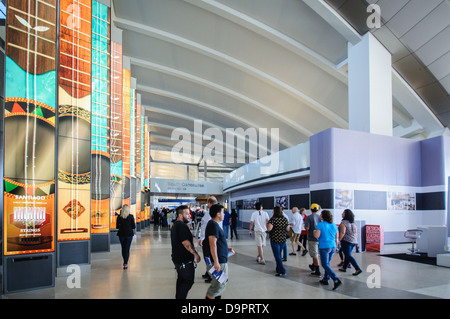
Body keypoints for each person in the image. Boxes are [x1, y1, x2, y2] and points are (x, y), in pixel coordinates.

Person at [203, 204, 234, 299]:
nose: (224, 214)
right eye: (223, 212)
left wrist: (226, 249)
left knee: (220, 283)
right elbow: (212, 244)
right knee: (218, 285)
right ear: (218, 214)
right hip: (218, 261)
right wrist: (216, 262)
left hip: (219, 259)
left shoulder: (214, 224)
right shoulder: (213, 225)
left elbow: (215, 243)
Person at [171, 205, 201, 299]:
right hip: (184, 260)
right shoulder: (182, 226)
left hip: (178, 259)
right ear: (180, 215)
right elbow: (185, 242)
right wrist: (195, 254)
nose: (189, 216)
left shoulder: (175, 224)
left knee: (181, 280)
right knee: (188, 281)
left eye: (189, 214)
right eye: (187, 214)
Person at [314, 210, 342, 290]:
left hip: (324, 246)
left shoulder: (321, 225)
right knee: (328, 263)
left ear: (323, 216)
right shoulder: (334, 225)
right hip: (332, 246)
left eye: (321, 214)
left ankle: (336, 279)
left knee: (325, 264)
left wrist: (314, 232)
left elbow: (317, 236)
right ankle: (326, 279)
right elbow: (336, 237)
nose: (320, 216)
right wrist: (336, 246)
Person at [199, 196, 219, 282]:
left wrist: (201, 238)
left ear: (209, 203)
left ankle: (211, 276)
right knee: (209, 257)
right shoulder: (216, 212)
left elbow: (205, 227)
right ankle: (208, 273)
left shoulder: (210, 214)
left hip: (207, 239)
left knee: (208, 258)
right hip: (212, 237)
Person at [266, 206, 290, 276]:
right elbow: (288, 229)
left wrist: (267, 225)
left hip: (275, 239)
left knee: (277, 256)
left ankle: (282, 271)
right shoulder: (284, 219)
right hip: (283, 239)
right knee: (279, 254)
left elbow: (269, 229)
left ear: (275, 211)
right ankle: (278, 268)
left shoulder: (273, 219)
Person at [338, 209, 362, 276]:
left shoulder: (343, 223)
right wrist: (356, 241)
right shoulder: (353, 223)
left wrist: (339, 240)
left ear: (346, 215)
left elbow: (342, 232)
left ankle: (357, 268)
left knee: (348, 255)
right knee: (347, 254)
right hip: (353, 241)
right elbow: (356, 233)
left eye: (343, 213)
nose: (342, 214)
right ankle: (344, 267)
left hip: (346, 241)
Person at [116, 204, 135, 270]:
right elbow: (133, 226)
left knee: (123, 248)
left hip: (121, 234)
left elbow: (117, 226)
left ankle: (125, 260)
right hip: (129, 234)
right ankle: (125, 263)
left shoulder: (119, 217)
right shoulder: (131, 217)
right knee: (127, 248)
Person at [305, 203, 321, 276]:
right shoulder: (320, 217)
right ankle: (314, 265)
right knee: (317, 253)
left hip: (312, 237)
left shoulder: (309, 217)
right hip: (320, 238)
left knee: (314, 254)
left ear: (311, 209)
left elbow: (307, 228)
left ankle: (317, 270)